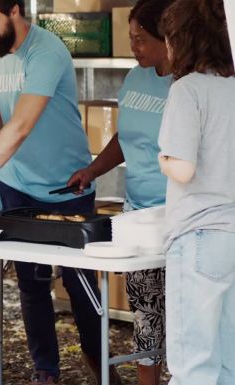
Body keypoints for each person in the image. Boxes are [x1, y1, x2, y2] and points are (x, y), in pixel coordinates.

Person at [0, 1, 121, 384]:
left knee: (80, 287)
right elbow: (9, 115)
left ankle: (100, 362)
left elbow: (20, 126)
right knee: (31, 285)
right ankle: (45, 370)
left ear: (15, 11)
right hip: (17, 185)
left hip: (67, 185)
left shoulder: (47, 52)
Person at [66, 1, 172, 383]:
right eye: (130, 38)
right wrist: (93, 169)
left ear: (168, 37)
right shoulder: (134, 79)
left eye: (141, 39)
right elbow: (125, 137)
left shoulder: (191, 83)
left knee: (182, 316)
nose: (134, 47)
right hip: (137, 218)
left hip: (178, 219)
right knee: (146, 313)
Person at [158, 0, 235, 383]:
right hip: (232, 233)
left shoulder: (187, 91)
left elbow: (183, 169)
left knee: (192, 366)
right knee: (227, 361)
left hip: (198, 236)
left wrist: (163, 159)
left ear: (180, 42)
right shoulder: (231, 89)